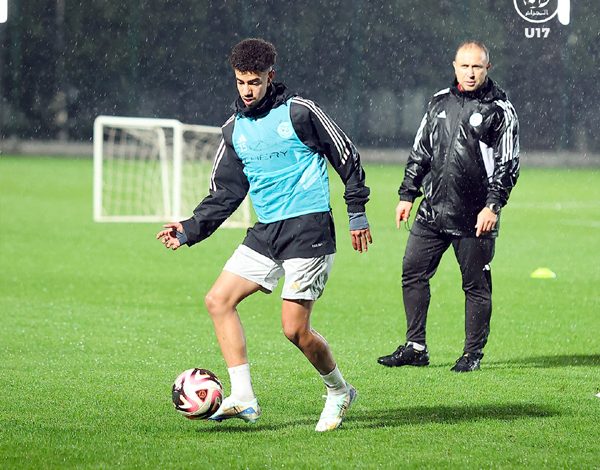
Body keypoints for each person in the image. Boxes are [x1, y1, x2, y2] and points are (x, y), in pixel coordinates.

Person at [157, 38, 372, 431]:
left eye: (254, 82)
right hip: (267, 232)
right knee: (218, 300)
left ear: (270, 76)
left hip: (308, 228)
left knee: (294, 330)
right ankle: (244, 397)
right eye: (241, 82)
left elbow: (345, 154)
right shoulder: (233, 130)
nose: (247, 90)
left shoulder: (300, 112)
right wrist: (189, 229)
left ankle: (339, 391)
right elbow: (225, 193)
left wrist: (356, 212)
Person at [377, 40, 519, 372]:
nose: (470, 73)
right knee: (412, 272)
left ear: (487, 68)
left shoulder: (500, 110)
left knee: (475, 286)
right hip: (432, 211)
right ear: (455, 67)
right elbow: (421, 152)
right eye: (464, 66)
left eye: (477, 67)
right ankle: (416, 347)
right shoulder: (439, 101)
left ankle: (472, 354)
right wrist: (407, 194)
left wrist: (492, 206)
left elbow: (508, 164)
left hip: (474, 216)